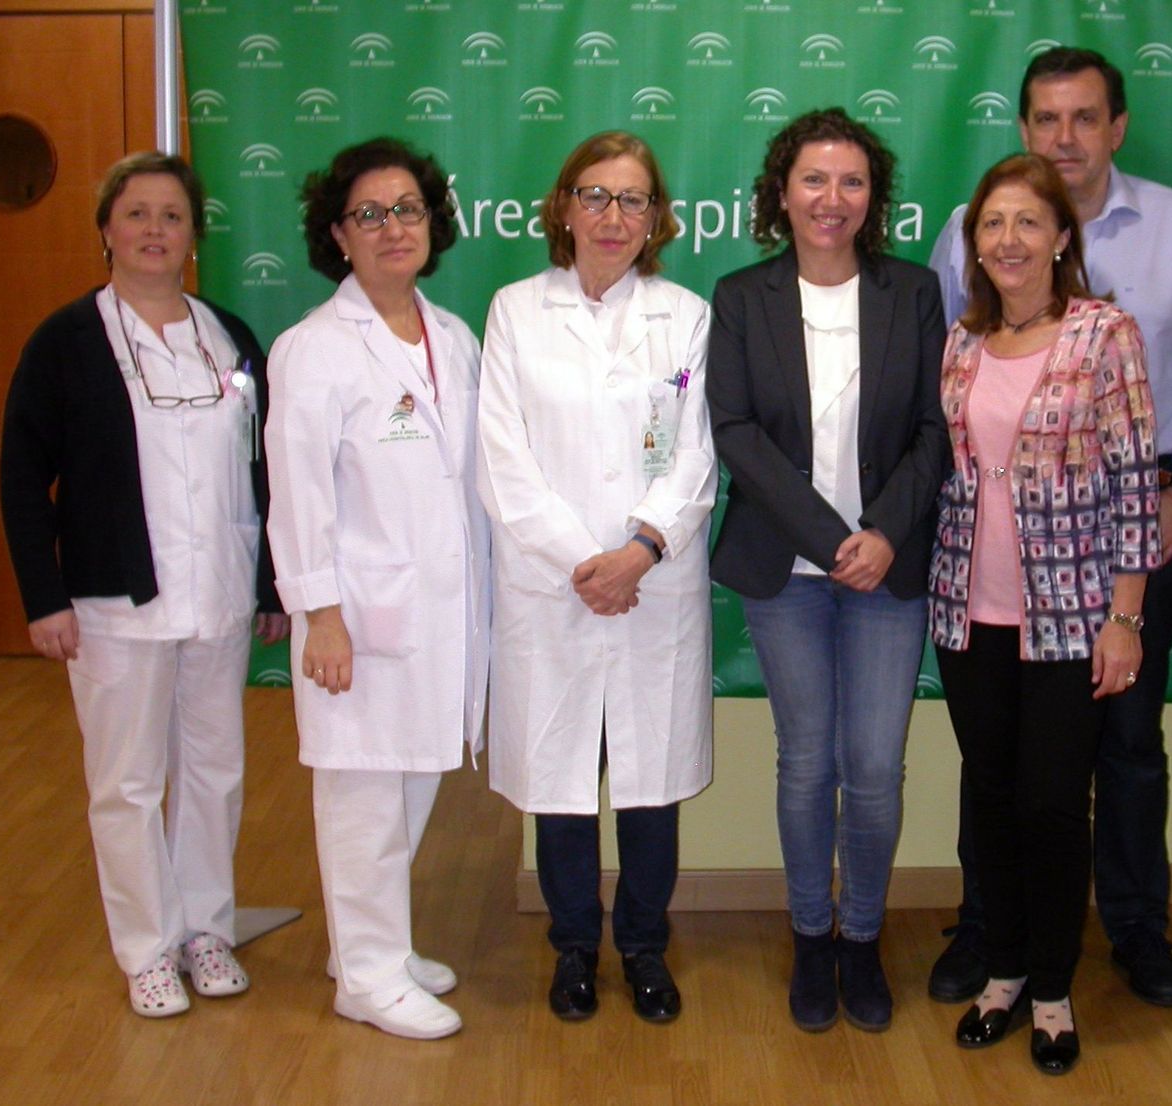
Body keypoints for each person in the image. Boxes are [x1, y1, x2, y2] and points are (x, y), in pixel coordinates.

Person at [927, 46, 1172, 1007]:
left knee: (1125, 753)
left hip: (1127, 525)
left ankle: (1133, 935)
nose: (1063, 136)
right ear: (1024, 127)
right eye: (1045, 118)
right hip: (986, 575)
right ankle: (993, 937)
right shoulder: (963, 262)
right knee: (997, 776)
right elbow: (949, 392)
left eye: (1083, 117)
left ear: (1116, 127)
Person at [0, 152, 287, 1017]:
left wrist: (270, 583)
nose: (154, 230)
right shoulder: (65, 342)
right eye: (136, 214)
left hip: (218, 592)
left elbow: (266, 468)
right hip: (111, 603)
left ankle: (206, 931)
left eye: (171, 215)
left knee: (214, 770)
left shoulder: (229, 336)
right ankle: (147, 949)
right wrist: (43, 597)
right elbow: (22, 475)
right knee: (125, 784)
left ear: (195, 234)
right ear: (106, 231)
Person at [708, 107, 948, 1033]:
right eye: (814, 178)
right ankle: (812, 934)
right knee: (807, 762)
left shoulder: (913, 292)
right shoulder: (742, 296)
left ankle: (862, 936)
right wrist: (829, 538)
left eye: (851, 180)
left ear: (873, 196)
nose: (831, 197)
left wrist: (881, 532)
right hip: (788, 572)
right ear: (782, 191)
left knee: (875, 769)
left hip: (889, 567)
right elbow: (736, 433)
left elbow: (936, 429)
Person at [476, 132, 715, 1025]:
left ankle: (645, 946)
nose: (614, 216)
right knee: (562, 779)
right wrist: (586, 562)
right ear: (564, 208)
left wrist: (639, 551)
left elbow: (697, 453)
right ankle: (574, 946)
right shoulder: (514, 311)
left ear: (656, 218)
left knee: (650, 781)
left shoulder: (685, 316)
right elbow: (503, 457)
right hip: (556, 585)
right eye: (596, 196)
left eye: (634, 199)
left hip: (652, 580)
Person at [930, 153, 1160, 1075]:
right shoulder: (962, 342)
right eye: (992, 223)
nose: (1009, 240)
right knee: (990, 798)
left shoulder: (1104, 334)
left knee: (1055, 806)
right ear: (974, 242)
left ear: (1063, 236)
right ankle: (1005, 970)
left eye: (1028, 221)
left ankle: (1055, 988)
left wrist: (1126, 616)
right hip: (968, 614)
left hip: (1071, 618)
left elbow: (1135, 482)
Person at [265, 138, 490, 1041]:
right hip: (357, 616)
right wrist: (319, 615)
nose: (393, 227)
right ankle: (364, 976)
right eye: (370, 214)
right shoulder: (313, 350)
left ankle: (373, 949)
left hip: (441, 611)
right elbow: (297, 495)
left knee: (412, 781)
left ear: (432, 222)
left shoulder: (454, 337)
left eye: (408, 209)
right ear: (338, 235)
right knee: (362, 796)